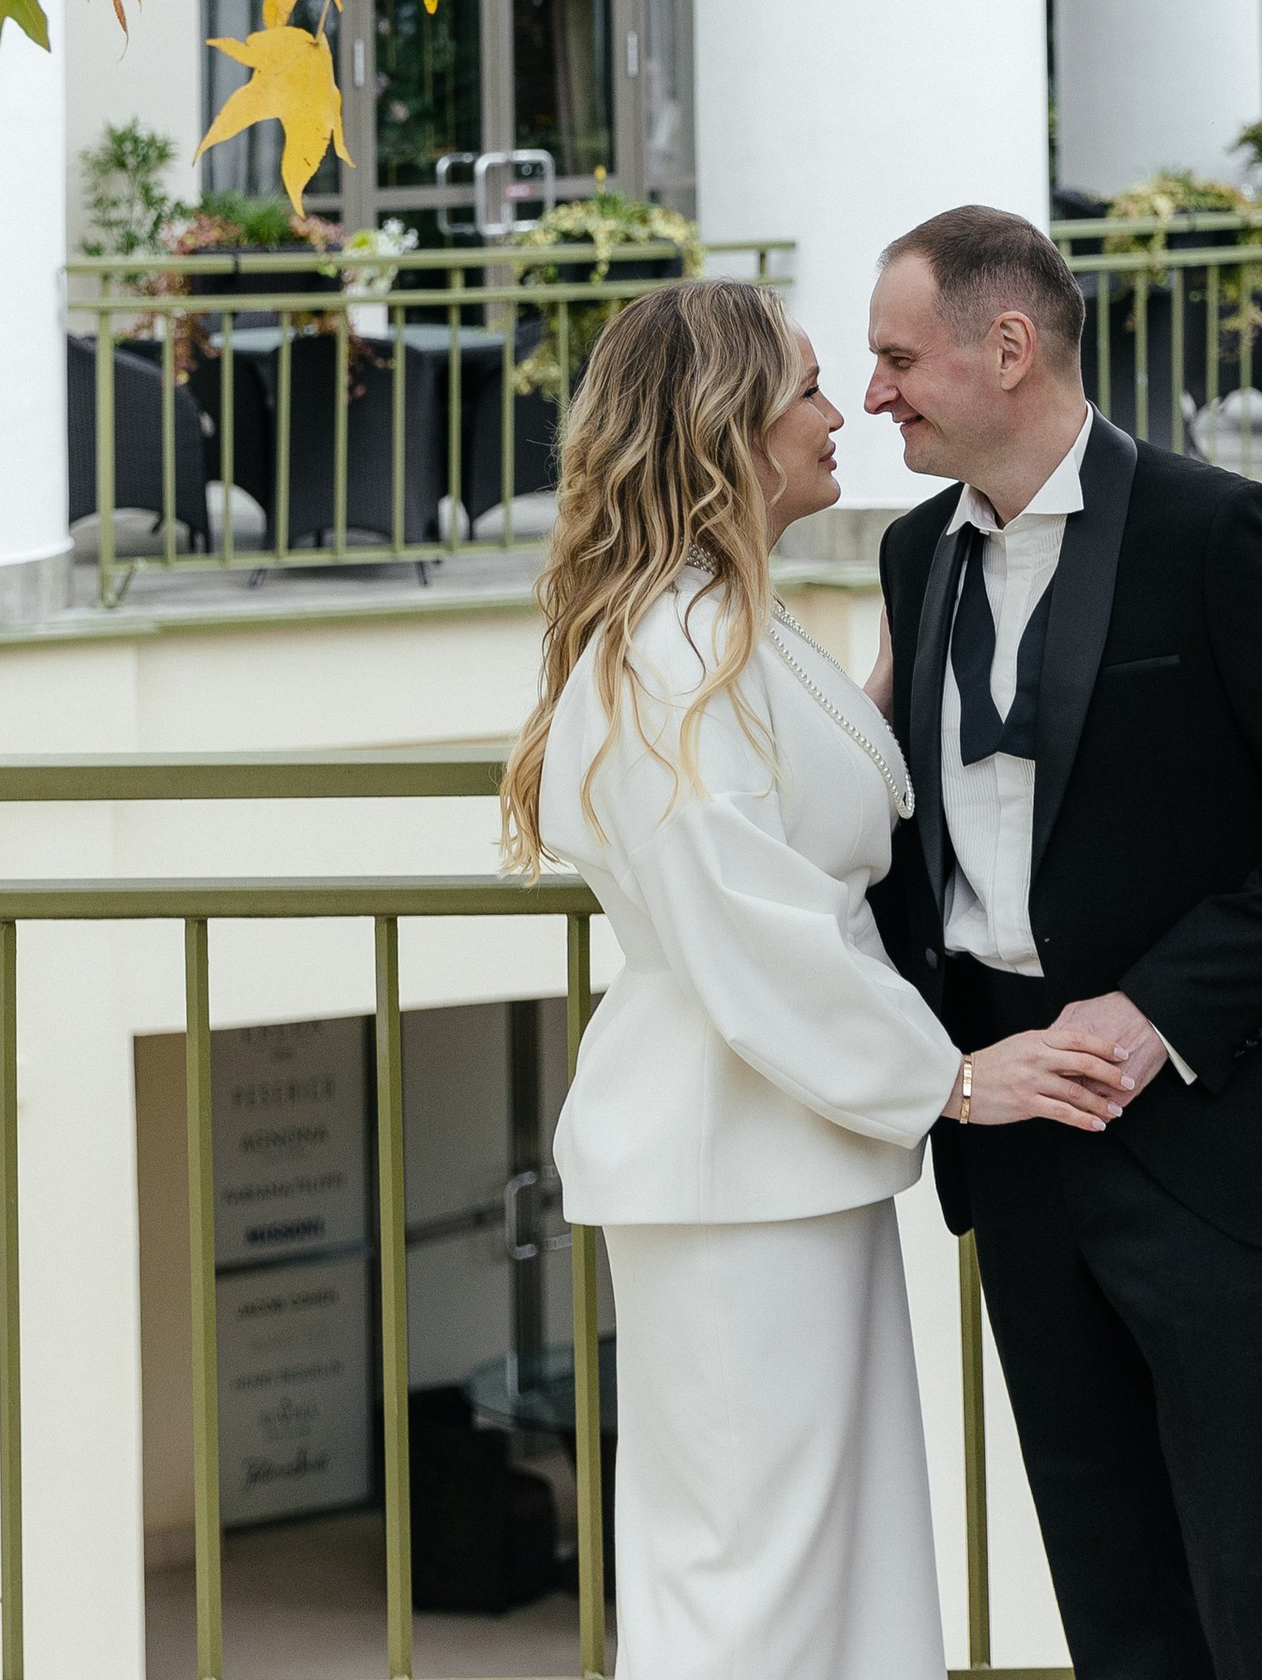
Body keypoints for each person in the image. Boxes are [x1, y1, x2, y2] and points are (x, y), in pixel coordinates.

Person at [503, 276, 1128, 1678]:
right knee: (753, 1580)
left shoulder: (726, 625)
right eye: (802, 388)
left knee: (810, 1565)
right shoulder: (670, 652)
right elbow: (753, 930)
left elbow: (814, 806)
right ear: (726, 425)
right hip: (733, 1172)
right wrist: (956, 1079)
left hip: (782, 1160)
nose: (839, 412)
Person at [862, 203, 1262, 1680]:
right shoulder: (913, 557)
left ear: (1008, 348)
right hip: (1016, 1127)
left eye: (897, 359)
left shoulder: (1225, 530)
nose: (876, 395)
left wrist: (1155, 1013)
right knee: (1105, 1577)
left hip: (1204, 1126)